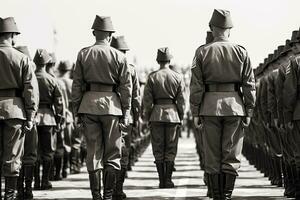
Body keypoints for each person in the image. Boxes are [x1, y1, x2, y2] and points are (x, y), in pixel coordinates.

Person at [190, 9, 256, 200]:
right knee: (232, 154)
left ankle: (217, 195)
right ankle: (226, 196)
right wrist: (249, 110)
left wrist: (195, 111)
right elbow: (249, 84)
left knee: (212, 154)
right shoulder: (241, 51)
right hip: (235, 106)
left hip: (210, 107)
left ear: (212, 28)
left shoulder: (202, 51)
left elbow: (196, 85)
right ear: (230, 29)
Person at [72, 15, 132, 200]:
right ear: (110, 35)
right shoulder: (119, 56)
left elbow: (77, 85)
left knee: (93, 152)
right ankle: (108, 196)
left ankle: (96, 196)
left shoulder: (83, 53)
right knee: (113, 153)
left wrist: (76, 110)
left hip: (89, 106)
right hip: (112, 107)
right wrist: (127, 111)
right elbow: (126, 87)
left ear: (94, 33)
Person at [0, 17, 39, 200]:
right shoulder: (22, 58)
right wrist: (30, 115)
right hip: (15, 109)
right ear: (13, 35)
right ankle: (9, 196)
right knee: (13, 155)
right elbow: (30, 89)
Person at [143, 47, 185, 188]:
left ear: (157, 60)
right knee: (171, 148)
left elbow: (147, 101)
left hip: (156, 114)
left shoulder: (152, 77)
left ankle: (161, 180)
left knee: (158, 148)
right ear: (169, 60)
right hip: (172, 114)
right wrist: (181, 115)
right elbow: (181, 100)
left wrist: (148, 116)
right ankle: (168, 179)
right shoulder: (177, 76)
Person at [110, 35, 141, 200]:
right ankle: (117, 189)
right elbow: (136, 96)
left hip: (106, 112)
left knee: (106, 151)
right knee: (123, 151)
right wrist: (137, 115)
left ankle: (108, 190)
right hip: (125, 115)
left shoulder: (105, 65)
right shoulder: (131, 69)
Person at [34, 49, 64, 190]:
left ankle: (35, 181)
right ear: (47, 63)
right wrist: (59, 119)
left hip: (33, 118)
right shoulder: (52, 80)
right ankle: (45, 181)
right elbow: (59, 103)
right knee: (48, 152)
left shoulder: (30, 78)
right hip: (48, 118)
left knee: (33, 151)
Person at [14, 46, 39, 200]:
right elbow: (31, 94)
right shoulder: (29, 71)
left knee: (12, 154)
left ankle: (17, 190)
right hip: (25, 114)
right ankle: (27, 190)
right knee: (29, 154)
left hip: (9, 112)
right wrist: (30, 116)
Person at [283, 28, 300, 199]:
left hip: (298, 114)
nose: (294, 47)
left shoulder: (295, 63)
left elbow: (290, 91)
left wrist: (287, 115)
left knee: (298, 154)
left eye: (296, 44)